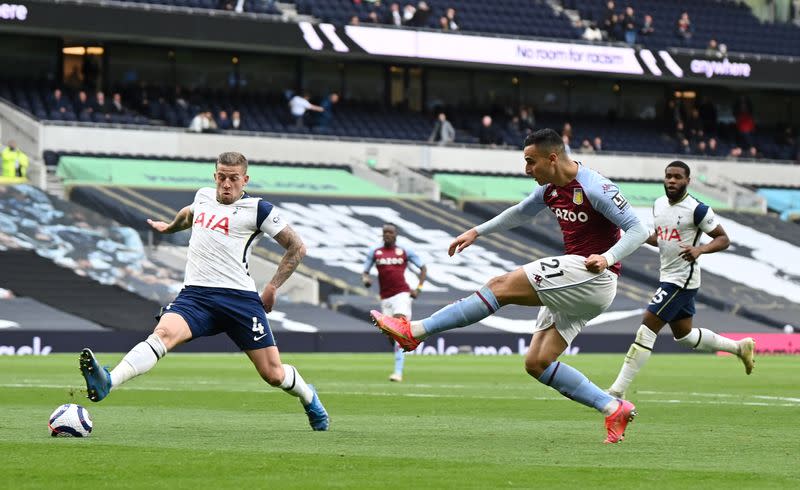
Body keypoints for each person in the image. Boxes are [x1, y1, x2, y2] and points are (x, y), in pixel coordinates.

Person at [370, 129, 650, 443]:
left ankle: (415, 332)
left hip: (594, 273)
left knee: (500, 285)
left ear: (552, 158)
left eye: (531, 162)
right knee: (537, 363)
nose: (527, 169)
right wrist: (476, 231)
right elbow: (518, 213)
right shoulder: (549, 190)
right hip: (579, 284)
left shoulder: (595, 186)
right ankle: (613, 407)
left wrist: (607, 256)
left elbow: (639, 229)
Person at [78, 151, 330, 431]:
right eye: (221, 177)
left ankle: (309, 396)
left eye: (233, 179)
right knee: (162, 335)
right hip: (196, 296)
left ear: (244, 180)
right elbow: (189, 215)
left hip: (240, 301)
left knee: (272, 374)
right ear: (214, 177)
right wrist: (169, 228)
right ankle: (108, 381)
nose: (226, 184)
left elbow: (297, 247)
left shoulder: (260, 210)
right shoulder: (203, 196)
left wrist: (272, 287)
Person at [608, 161, 755, 399]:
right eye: (669, 176)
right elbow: (662, 239)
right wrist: (643, 237)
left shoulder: (697, 209)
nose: (672, 181)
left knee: (647, 325)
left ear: (688, 181)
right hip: (667, 275)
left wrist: (700, 250)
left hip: (681, 280)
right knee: (684, 335)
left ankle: (618, 390)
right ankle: (739, 347)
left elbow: (723, 239)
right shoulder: (658, 205)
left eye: (678, 177)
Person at [362, 223, 427, 382]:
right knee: (391, 335)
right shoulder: (375, 252)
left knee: (398, 327)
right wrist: (366, 280)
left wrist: (418, 289)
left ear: (396, 235)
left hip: (402, 295)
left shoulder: (404, 251)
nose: (387, 235)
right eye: (385, 232)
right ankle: (407, 341)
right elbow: (365, 272)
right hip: (385, 298)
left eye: (390, 232)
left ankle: (398, 372)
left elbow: (423, 268)